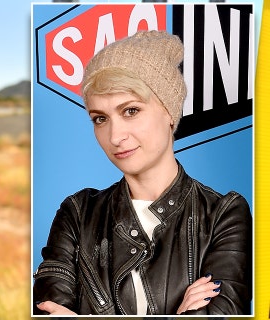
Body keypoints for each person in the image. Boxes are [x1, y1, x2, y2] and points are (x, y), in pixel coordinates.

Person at [32, 30, 252, 315]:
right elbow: (48, 309)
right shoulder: (77, 213)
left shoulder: (224, 214)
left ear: (169, 112)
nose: (115, 136)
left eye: (131, 111)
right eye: (100, 118)